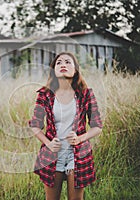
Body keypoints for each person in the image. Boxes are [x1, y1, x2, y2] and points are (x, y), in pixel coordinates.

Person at [29, 52, 103, 200]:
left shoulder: (85, 94)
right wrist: (48, 143)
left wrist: (80, 138)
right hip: (52, 154)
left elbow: (97, 126)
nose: (63, 64)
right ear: (54, 70)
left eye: (68, 62)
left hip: (77, 154)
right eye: (59, 63)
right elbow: (35, 125)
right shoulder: (45, 94)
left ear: (75, 70)